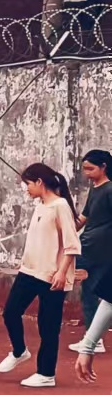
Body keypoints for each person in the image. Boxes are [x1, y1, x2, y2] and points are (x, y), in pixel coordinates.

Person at [0, 162, 81, 387]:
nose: (26, 189)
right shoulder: (41, 205)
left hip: (52, 275)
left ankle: (46, 374)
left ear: (39, 182)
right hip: (29, 271)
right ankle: (19, 351)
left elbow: (72, 245)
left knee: (48, 327)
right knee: (10, 312)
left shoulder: (60, 206)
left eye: (28, 184)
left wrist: (62, 273)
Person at [73, 149, 112, 354]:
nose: (86, 173)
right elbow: (83, 217)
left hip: (100, 251)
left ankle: (94, 339)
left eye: (90, 169)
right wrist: (68, 230)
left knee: (89, 291)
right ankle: (93, 338)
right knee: (88, 292)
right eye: (85, 169)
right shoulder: (95, 189)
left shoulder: (110, 190)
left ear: (103, 167)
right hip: (87, 246)